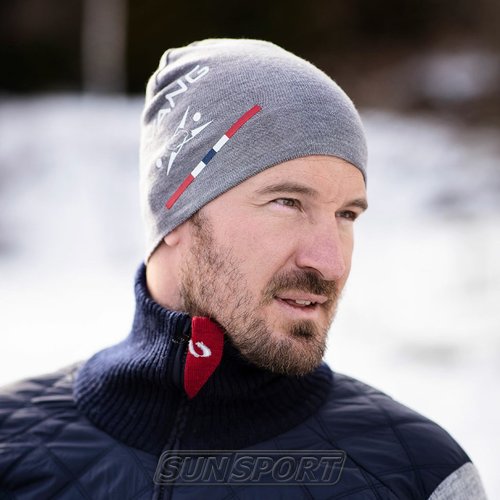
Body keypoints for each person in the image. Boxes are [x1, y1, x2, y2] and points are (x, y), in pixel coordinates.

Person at [0, 39, 487, 499]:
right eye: (288, 202)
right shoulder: (12, 448)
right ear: (176, 209)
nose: (329, 262)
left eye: (346, 215)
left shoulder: (418, 474)